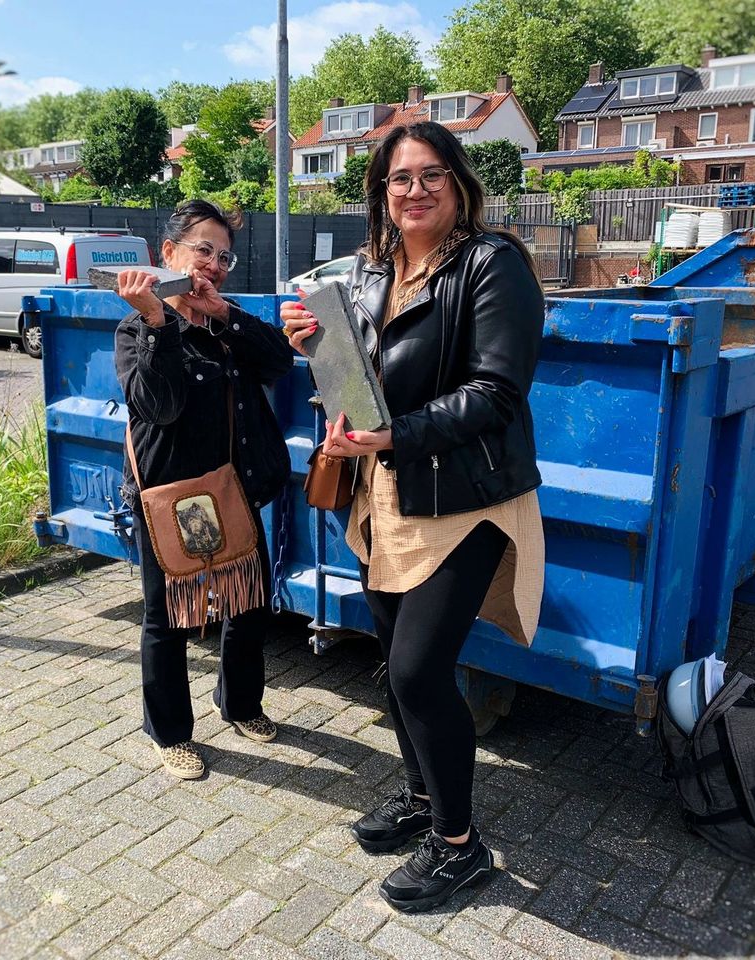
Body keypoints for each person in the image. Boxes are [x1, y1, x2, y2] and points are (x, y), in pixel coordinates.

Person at [280, 121, 546, 912]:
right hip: (388, 492)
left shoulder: (492, 264)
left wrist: (397, 432)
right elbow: (366, 373)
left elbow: (497, 392)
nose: (416, 189)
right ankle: (425, 798)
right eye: (401, 178)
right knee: (394, 667)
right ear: (382, 194)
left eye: (433, 174)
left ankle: (461, 847)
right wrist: (316, 348)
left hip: (465, 499)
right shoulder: (371, 273)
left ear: (460, 183)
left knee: (417, 670)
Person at [115, 199, 293, 780]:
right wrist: (160, 323)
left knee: (248, 601)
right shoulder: (136, 328)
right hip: (174, 499)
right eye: (202, 250)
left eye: (223, 255)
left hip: (234, 490)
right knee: (168, 618)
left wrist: (223, 314)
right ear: (167, 254)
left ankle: (239, 703)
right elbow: (158, 404)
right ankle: (169, 734)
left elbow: (277, 365)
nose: (214, 263)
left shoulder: (223, 319)